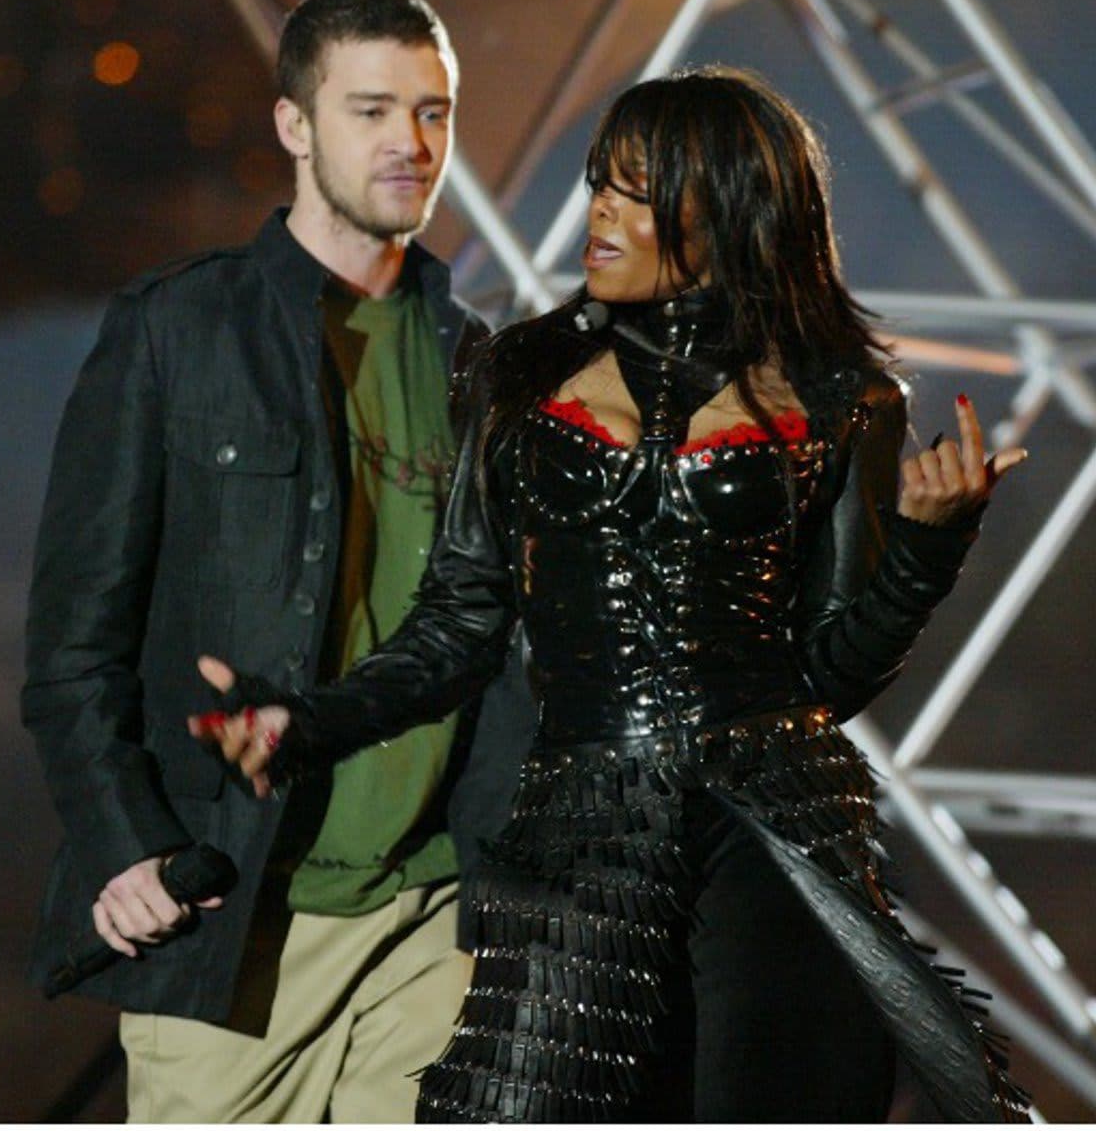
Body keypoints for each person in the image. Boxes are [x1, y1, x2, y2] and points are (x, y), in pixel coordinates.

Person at [191, 66, 1032, 1122]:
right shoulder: (516, 378)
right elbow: (459, 624)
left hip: (774, 826)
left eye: (636, 192)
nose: (600, 213)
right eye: (600, 183)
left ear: (728, 211)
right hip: (581, 825)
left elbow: (828, 672)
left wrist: (924, 551)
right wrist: (306, 721)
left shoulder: (844, 401)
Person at [23, 0, 533, 1123]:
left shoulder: (485, 369)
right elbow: (71, 648)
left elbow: (500, 643)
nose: (411, 142)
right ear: (295, 125)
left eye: (433, 111)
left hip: (429, 923)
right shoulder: (175, 333)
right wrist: (128, 848)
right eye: (371, 109)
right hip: (237, 920)